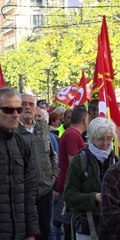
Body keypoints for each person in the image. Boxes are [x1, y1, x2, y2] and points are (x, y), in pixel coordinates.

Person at [64, 117, 120, 239]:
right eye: (101, 139)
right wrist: (95, 197)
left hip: (113, 225)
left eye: (109, 139)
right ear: (91, 138)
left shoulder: (117, 160)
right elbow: (69, 196)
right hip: (87, 226)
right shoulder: (80, 160)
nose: (105, 143)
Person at [16, 93, 60, 240]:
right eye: (23, 104)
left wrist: (53, 176)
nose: (27, 107)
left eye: (31, 104)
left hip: (44, 190)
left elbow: (52, 155)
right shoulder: (13, 130)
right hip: (22, 194)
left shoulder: (43, 128)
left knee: (45, 232)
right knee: (27, 233)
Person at [0, 88, 39, 239]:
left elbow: (30, 194)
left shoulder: (22, 143)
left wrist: (31, 233)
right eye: (8, 110)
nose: (16, 114)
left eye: (18, 109)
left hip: (20, 232)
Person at [55, 105, 89, 240]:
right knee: (70, 227)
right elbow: (74, 164)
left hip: (68, 184)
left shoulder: (71, 133)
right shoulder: (72, 135)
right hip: (70, 186)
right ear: (85, 120)